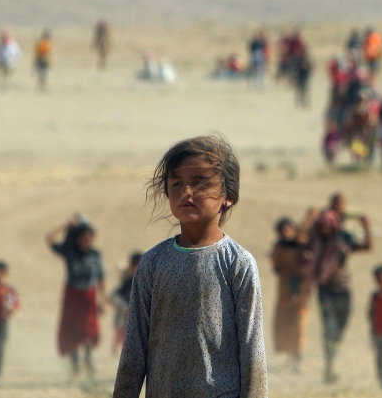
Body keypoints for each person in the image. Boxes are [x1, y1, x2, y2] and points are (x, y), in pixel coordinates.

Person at [113, 135, 268, 398]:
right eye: (177, 183)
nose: (186, 192)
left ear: (228, 195)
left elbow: (252, 351)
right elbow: (133, 349)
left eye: (199, 182)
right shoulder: (153, 263)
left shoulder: (237, 263)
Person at [306, 199, 372, 384]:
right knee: (329, 329)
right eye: (323, 224)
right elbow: (299, 239)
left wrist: (366, 226)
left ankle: (331, 362)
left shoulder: (343, 239)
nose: (326, 228)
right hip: (325, 291)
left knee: (341, 327)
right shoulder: (316, 241)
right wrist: (309, 217)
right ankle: (329, 367)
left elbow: (367, 247)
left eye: (329, 224)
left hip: (343, 290)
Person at [46, 215, 106, 381]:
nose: (86, 240)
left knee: (89, 330)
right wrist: (66, 225)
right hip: (72, 296)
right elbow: (49, 239)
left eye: (89, 237)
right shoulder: (69, 252)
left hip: (89, 296)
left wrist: (103, 299)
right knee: (71, 331)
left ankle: (87, 360)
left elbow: (101, 278)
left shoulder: (95, 255)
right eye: (83, 237)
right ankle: (75, 368)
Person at [271, 212, 316, 372]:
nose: (286, 232)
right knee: (285, 323)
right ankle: (290, 356)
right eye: (283, 230)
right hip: (285, 290)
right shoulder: (279, 247)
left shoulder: (301, 244)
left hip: (301, 290)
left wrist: (309, 217)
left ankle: (298, 358)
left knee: (299, 323)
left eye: (289, 229)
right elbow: (276, 266)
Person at [109, 252, 142, 356]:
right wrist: (123, 307)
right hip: (128, 318)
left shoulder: (148, 280)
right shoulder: (129, 281)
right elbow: (115, 296)